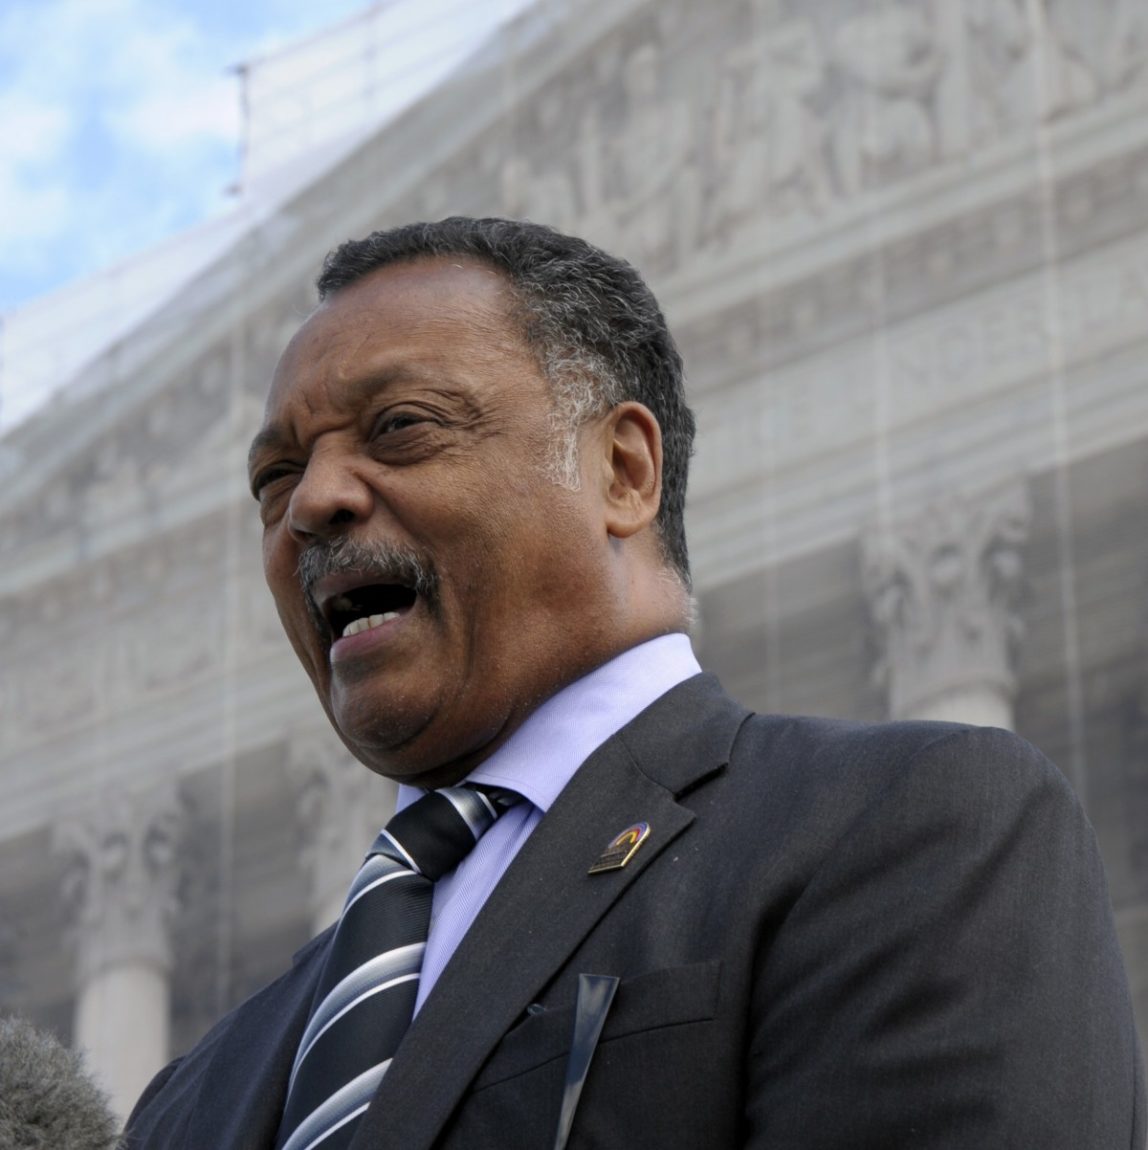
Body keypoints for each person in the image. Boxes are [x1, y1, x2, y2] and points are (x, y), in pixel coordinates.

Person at [125, 217, 1144, 1149]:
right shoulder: (196, 1092)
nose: (313, 501)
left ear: (620, 471)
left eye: (400, 426)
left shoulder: (906, 827)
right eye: (275, 477)